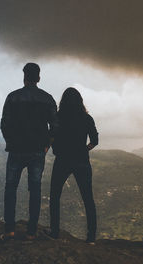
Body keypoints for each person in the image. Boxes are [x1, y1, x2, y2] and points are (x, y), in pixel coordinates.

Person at [0, 62, 58, 241]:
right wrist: (47, 145)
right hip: (37, 150)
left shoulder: (13, 97)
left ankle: (9, 230)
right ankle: (31, 233)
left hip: (16, 149)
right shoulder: (47, 99)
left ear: (24, 76)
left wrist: (10, 141)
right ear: (38, 77)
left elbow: (4, 124)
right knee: (35, 189)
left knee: (10, 188)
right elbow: (55, 126)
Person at [46, 87, 98, 244]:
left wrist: (55, 148)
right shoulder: (87, 118)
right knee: (88, 198)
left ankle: (54, 232)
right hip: (82, 160)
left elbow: (51, 137)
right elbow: (95, 140)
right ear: (80, 101)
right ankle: (91, 238)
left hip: (62, 159)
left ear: (63, 101)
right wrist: (84, 149)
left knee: (54, 196)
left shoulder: (58, 117)